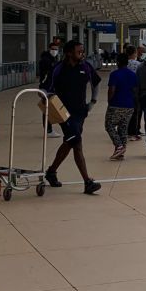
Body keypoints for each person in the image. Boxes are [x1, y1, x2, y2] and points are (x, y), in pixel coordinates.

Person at [44, 40, 102, 194]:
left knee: (69, 142)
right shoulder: (58, 69)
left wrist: (93, 101)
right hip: (64, 114)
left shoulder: (86, 67)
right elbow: (44, 90)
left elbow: (96, 83)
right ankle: (87, 182)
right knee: (76, 142)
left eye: (83, 51)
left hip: (81, 112)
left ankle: (51, 172)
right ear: (69, 53)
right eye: (79, 52)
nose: (82, 54)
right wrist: (52, 105)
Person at [105, 47, 139, 160]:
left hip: (116, 104)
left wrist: (109, 101)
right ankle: (121, 152)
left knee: (109, 125)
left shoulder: (115, 74)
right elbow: (135, 91)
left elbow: (112, 90)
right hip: (129, 105)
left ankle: (119, 146)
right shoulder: (133, 75)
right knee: (123, 128)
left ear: (118, 62)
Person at [38, 37, 63, 136]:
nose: (54, 51)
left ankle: (49, 129)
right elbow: (46, 75)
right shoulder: (46, 60)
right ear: (49, 49)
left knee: (50, 107)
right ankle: (48, 130)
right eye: (53, 49)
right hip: (46, 87)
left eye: (56, 49)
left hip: (51, 87)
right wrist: (43, 87)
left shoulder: (53, 59)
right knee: (47, 108)